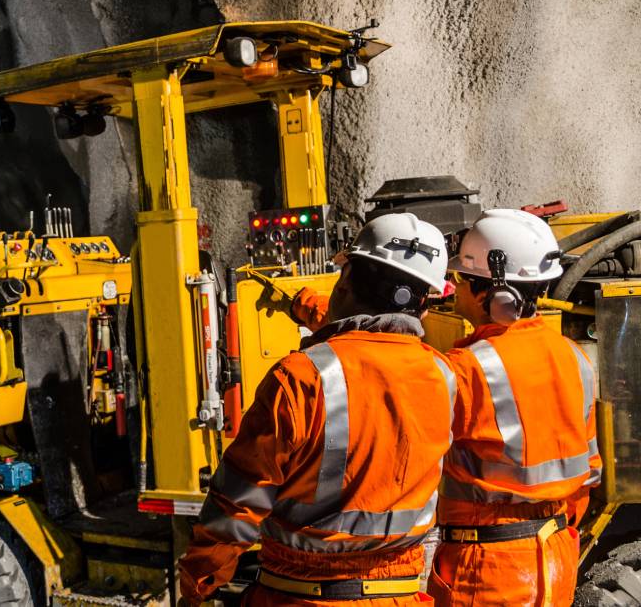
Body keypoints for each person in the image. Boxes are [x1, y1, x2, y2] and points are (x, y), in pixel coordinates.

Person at [179, 213, 456, 606]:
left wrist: (199, 582)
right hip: (401, 596)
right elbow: (373, 339)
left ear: (343, 283)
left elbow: (238, 500)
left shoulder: (300, 378)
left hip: (302, 596)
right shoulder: (445, 375)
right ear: (424, 305)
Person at [427, 209, 599, 606]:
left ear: (495, 295)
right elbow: (588, 475)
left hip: (489, 570)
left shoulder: (467, 368)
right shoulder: (574, 358)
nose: (456, 290)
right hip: (555, 559)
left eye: (463, 281)